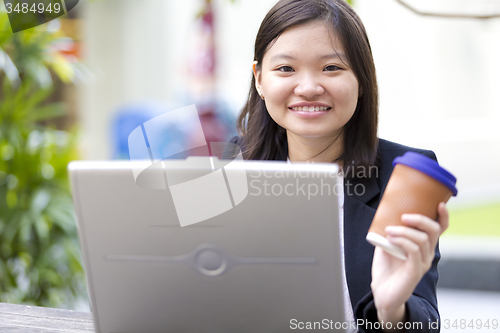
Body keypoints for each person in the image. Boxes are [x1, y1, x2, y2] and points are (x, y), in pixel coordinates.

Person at [224, 0, 449, 332]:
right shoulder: (224, 168)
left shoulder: (404, 177)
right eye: (286, 69)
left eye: (331, 67)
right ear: (259, 79)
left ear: (361, 78)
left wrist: (391, 310)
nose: (310, 88)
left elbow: (424, 318)